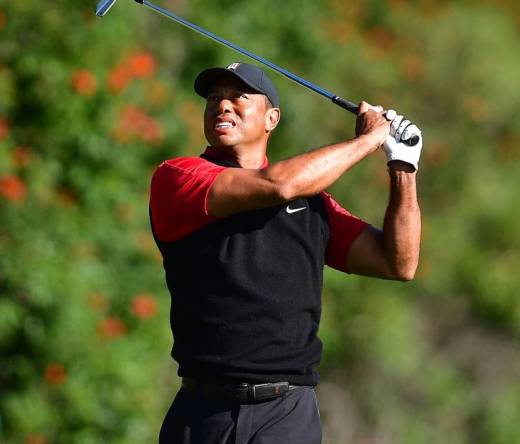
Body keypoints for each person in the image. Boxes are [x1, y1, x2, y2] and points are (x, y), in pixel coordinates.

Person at [149, 62, 422, 443]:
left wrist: (402, 168)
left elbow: (399, 262)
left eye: (238, 98)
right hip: (202, 414)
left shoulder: (313, 204)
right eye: (214, 99)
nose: (222, 106)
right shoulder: (178, 178)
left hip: (286, 416)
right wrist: (368, 140)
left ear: (271, 118)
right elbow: (278, 186)